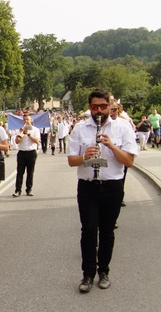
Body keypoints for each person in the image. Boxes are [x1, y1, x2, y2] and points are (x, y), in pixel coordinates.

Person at [68, 88, 137, 293]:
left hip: (112, 186)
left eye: (103, 106)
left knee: (107, 231)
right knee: (88, 230)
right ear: (89, 108)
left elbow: (130, 162)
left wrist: (112, 147)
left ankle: (104, 271)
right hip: (88, 186)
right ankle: (87, 275)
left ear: (109, 107)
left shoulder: (123, 127)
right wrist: (86, 157)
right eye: (94, 107)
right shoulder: (79, 129)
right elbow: (72, 161)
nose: (99, 111)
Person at [12, 114, 40, 197]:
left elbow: (37, 141)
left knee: (30, 172)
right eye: (24, 120)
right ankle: (18, 190)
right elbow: (17, 141)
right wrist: (20, 134)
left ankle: (29, 189)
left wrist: (28, 134)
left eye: (27, 119)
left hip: (31, 152)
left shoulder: (35, 130)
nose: (26, 121)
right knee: (20, 172)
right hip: (21, 152)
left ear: (31, 120)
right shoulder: (20, 129)